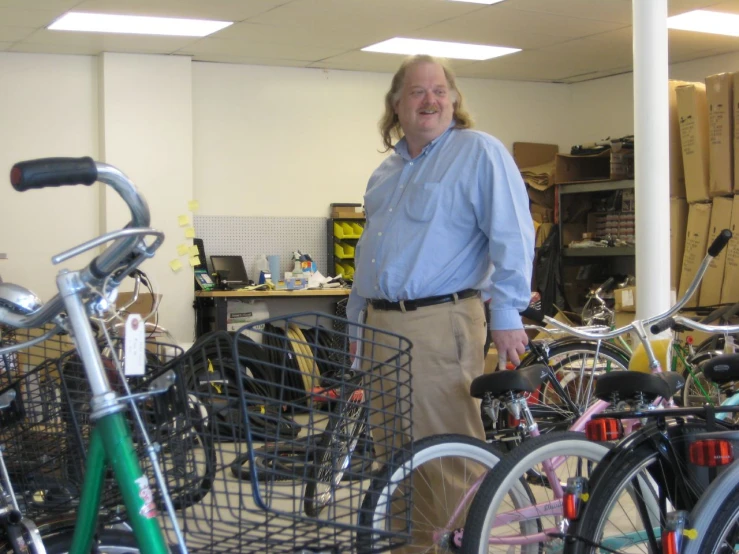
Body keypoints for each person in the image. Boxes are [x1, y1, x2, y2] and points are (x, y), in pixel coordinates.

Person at [346, 54, 534, 550]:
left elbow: (512, 236)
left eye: (439, 91)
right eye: (416, 91)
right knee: (393, 458)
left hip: (439, 321)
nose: (429, 100)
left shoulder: (478, 152)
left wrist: (507, 312)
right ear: (396, 104)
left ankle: (456, 546)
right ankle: (410, 547)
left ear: (453, 100)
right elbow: (372, 252)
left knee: (444, 454)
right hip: (380, 325)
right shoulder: (386, 171)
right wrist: (354, 324)